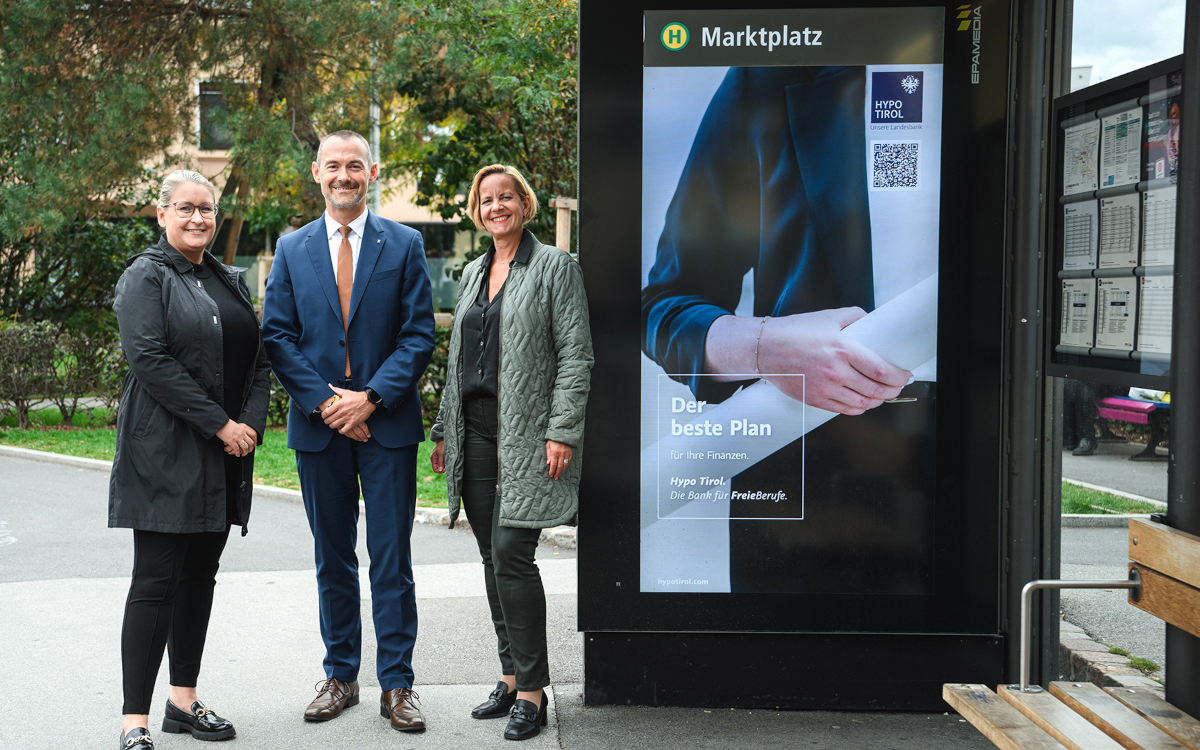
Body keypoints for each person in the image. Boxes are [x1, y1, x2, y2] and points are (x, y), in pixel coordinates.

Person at [641, 66, 941, 594]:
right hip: (807, 467)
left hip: (977, 472)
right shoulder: (765, 81)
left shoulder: (997, 81)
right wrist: (765, 347)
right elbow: (663, 305)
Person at [261, 130, 435, 732]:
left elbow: (418, 336)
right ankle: (341, 676)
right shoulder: (291, 249)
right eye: (333, 166)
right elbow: (277, 336)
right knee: (332, 559)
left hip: (387, 428)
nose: (344, 176)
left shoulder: (405, 243)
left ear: (373, 172)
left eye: (354, 166)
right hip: (319, 430)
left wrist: (371, 400)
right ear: (316, 172)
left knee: (391, 560)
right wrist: (327, 403)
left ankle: (398, 685)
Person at [430, 164, 593, 741]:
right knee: (488, 557)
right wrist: (445, 430)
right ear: (478, 209)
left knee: (512, 554)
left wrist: (562, 430)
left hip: (526, 434)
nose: (497, 206)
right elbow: (458, 361)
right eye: (486, 199)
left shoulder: (555, 267)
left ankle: (533, 691)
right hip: (474, 434)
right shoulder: (475, 270)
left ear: (525, 203)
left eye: (507, 197)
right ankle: (508, 675)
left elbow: (576, 355)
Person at [110, 170, 271, 748]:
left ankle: (183, 701)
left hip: (225, 454)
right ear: (163, 214)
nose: (198, 218)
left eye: (207, 209)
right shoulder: (146, 276)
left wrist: (248, 424)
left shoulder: (228, 279)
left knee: (200, 576)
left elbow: (258, 361)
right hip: (164, 452)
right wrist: (221, 424)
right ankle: (135, 723)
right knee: (155, 582)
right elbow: (150, 361)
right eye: (186, 209)